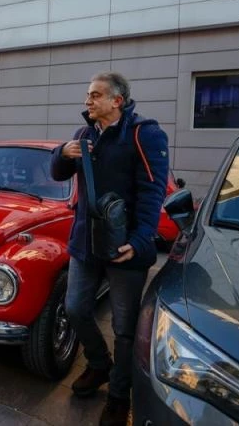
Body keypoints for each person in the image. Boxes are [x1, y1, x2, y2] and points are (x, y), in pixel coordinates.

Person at [50, 72, 168, 426]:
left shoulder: (144, 133)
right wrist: (62, 154)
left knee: (125, 327)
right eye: (87, 94)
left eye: (96, 95)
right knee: (74, 308)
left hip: (124, 247)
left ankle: (119, 395)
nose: (88, 101)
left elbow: (153, 190)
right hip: (85, 242)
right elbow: (58, 174)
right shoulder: (83, 135)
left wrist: (141, 238)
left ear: (117, 100)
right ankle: (100, 365)